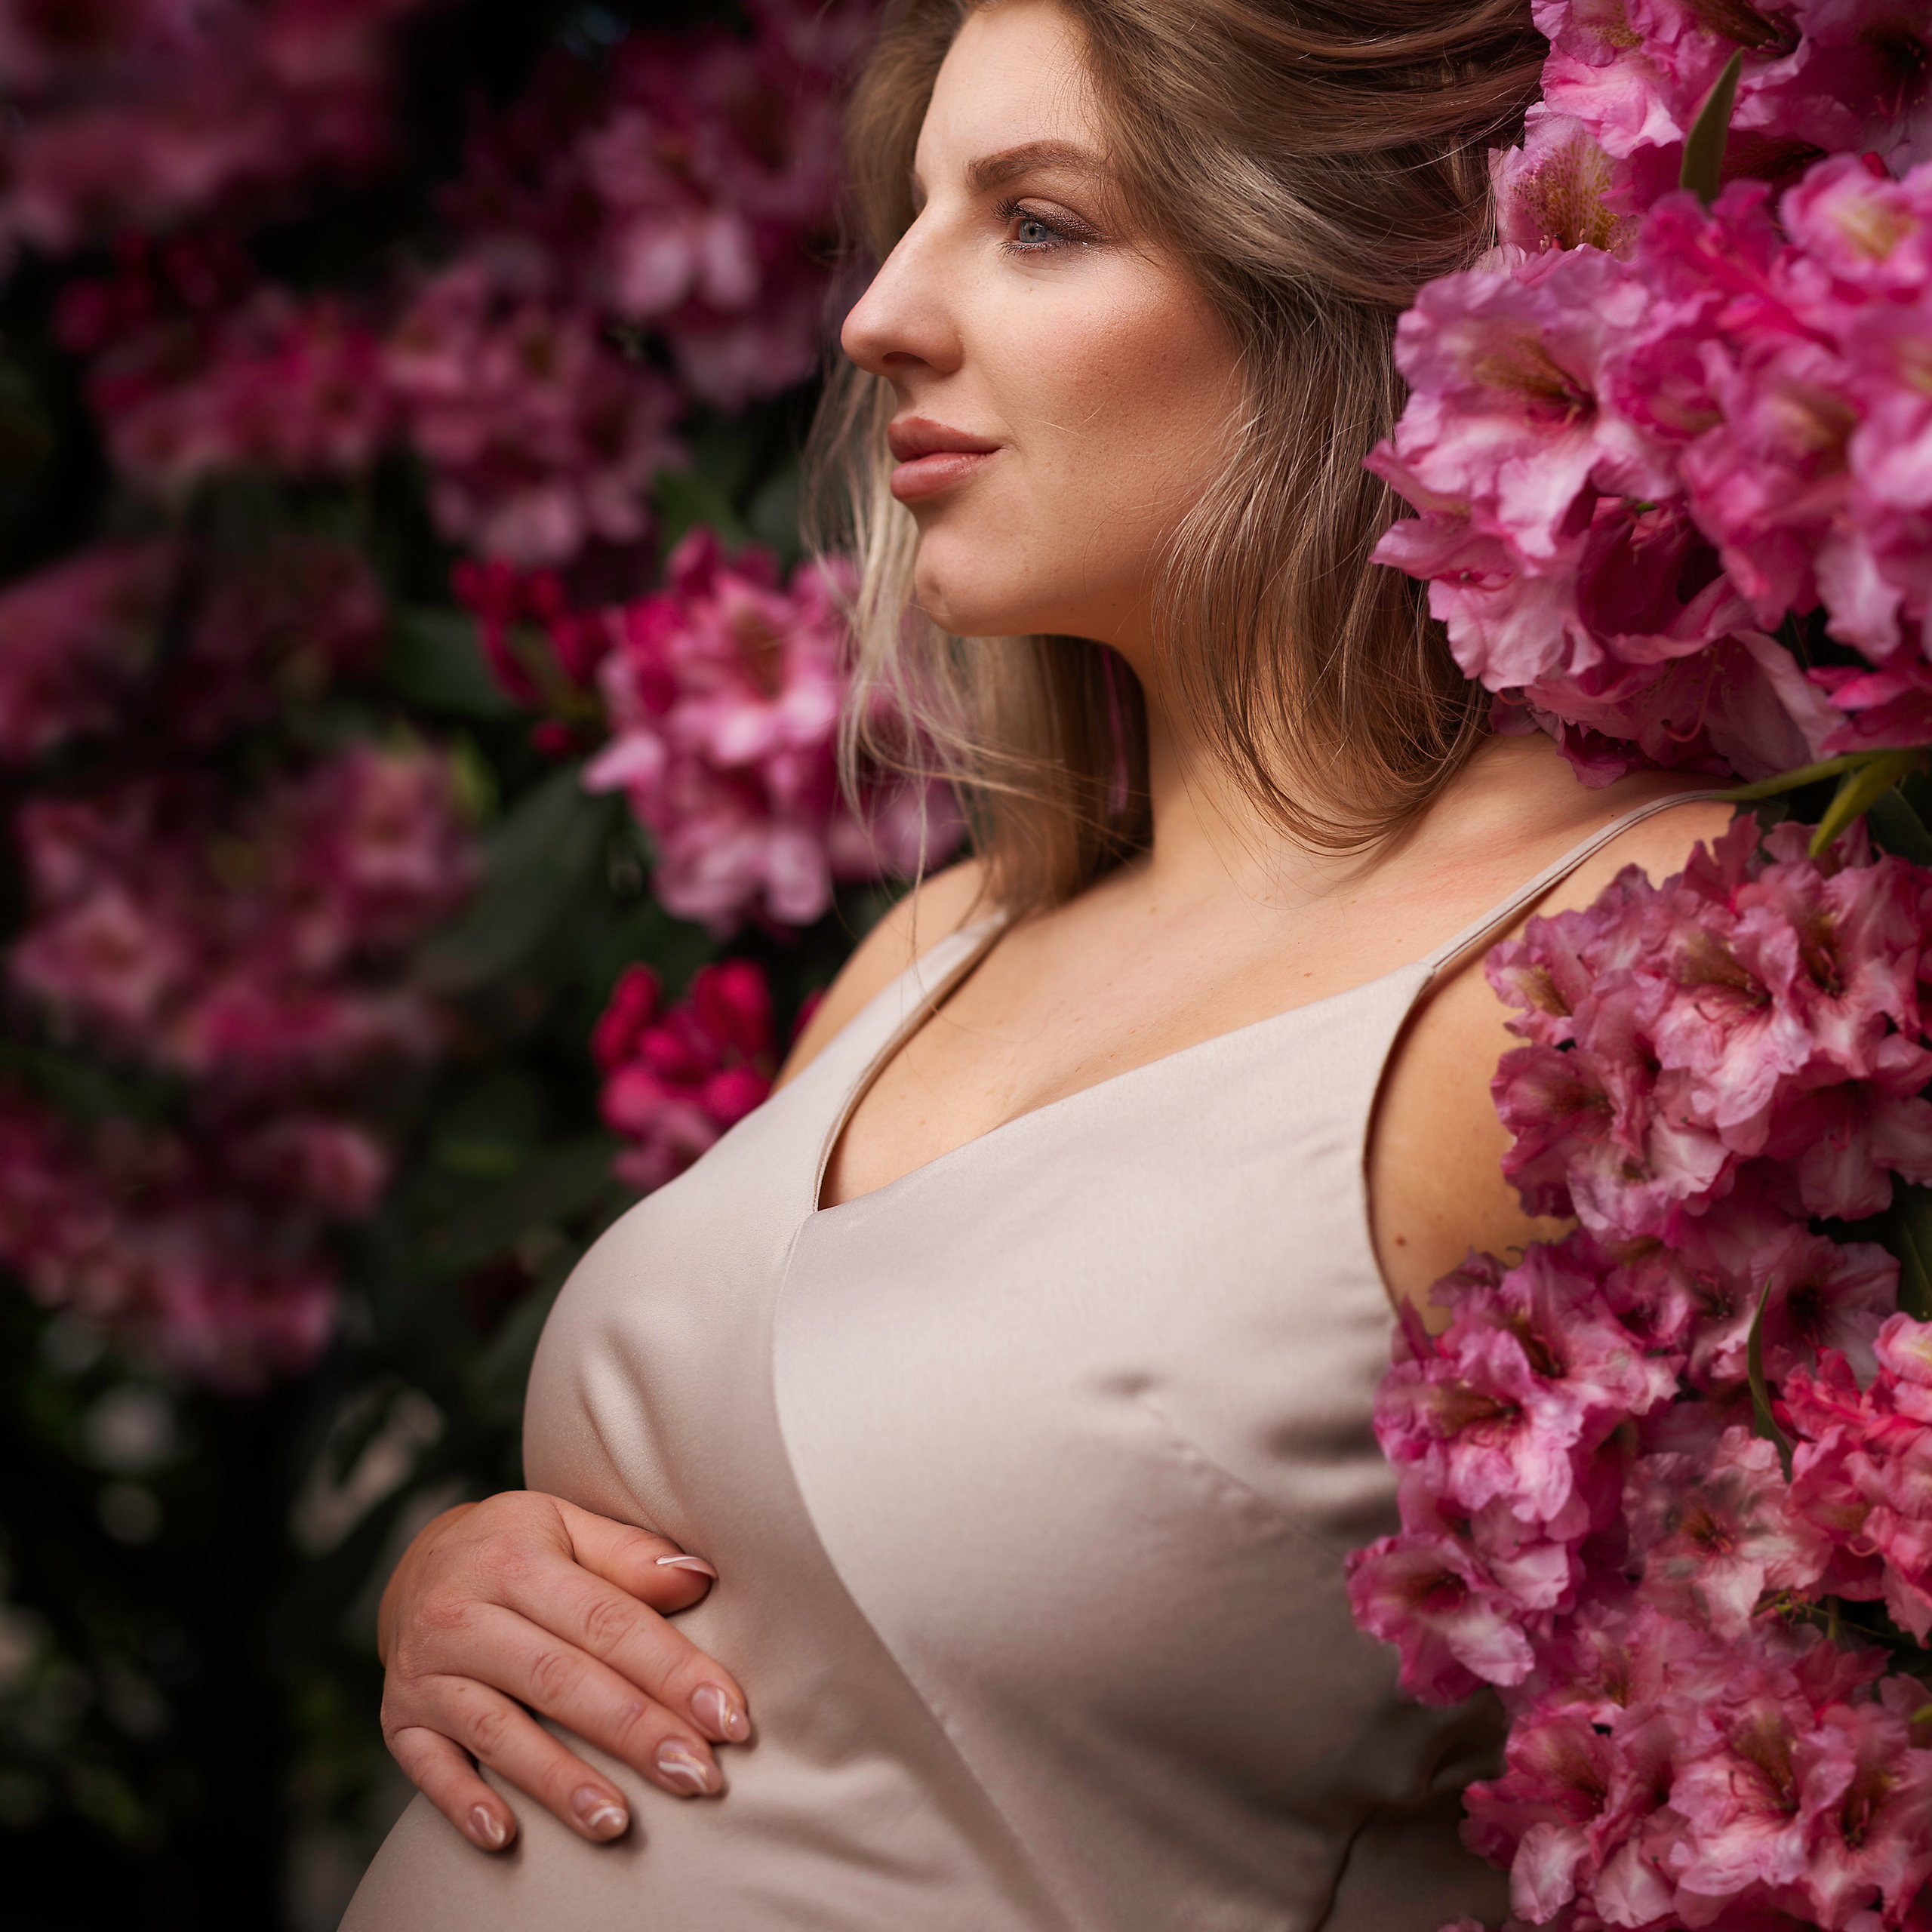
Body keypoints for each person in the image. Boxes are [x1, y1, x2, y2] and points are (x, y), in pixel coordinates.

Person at [342, 2, 1734, 1924]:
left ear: (1349, 293)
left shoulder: (1608, 966)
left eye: (1036, 223)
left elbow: (1790, 1716)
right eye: (913, 213)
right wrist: (458, 1585)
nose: (878, 317)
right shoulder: (943, 938)